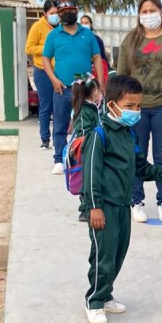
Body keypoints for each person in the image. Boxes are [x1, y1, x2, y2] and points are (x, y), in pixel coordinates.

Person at [81, 74, 162, 323]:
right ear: (112, 104)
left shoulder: (128, 135)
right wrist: (95, 207)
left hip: (124, 206)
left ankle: (106, 294)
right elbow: (90, 174)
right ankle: (94, 300)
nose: (135, 111)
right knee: (103, 254)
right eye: (129, 106)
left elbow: (141, 167)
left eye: (138, 106)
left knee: (118, 253)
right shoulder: (99, 135)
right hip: (105, 208)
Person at [117, 0, 162, 223]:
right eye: (144, 12)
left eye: (152, 11)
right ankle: (136, 201)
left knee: (161, 155)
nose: (149, 15)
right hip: (136, 109)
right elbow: (122, 75)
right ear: (139, 15)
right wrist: (120, 105)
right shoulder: (131, 40)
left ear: (161, 12)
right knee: (136, 154)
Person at [42, 0, 105, 175]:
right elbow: (45, 59)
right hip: (62, 88)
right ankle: (59, 160)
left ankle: (83, 157)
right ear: (58, 14)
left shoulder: (87, 34)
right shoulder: (54, 35)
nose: (66, 14)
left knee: (85, 124)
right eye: (62, 12)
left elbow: (97, 57)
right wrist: (53, 79)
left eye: (70, 10)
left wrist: (100, 83)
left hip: (85, 89)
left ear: (76, 11)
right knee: (61, 125)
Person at [25, 0, 58, 150]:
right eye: (52, 13)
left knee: (59, 105)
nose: (55, 16)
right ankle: (45, 139)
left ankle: (59, 138)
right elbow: (29, 48)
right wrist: (47, 48)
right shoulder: (37, 27)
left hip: (59, 72)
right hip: (42, 70)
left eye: (57, 13)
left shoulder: (61, 28)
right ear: (45, 14)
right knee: (46, 105)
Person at [71, 74, 102, 222]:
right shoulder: (84, 110)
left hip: (93, 147)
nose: (100, 94)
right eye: (98, 90)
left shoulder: (93, 108)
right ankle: (84, 209)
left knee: (93, 177)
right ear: (94, 92)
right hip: (86, 149)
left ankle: (91, 205)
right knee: (86, 178)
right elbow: (84, 133)